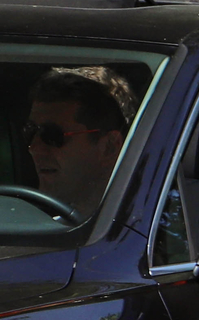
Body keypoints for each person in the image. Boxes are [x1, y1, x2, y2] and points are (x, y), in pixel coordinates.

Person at [24, 66, 135, 220]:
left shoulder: (151, 232)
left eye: (52, 135)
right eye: (31, 131)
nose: (34, 148)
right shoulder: (35, 231)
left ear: (109, 147)